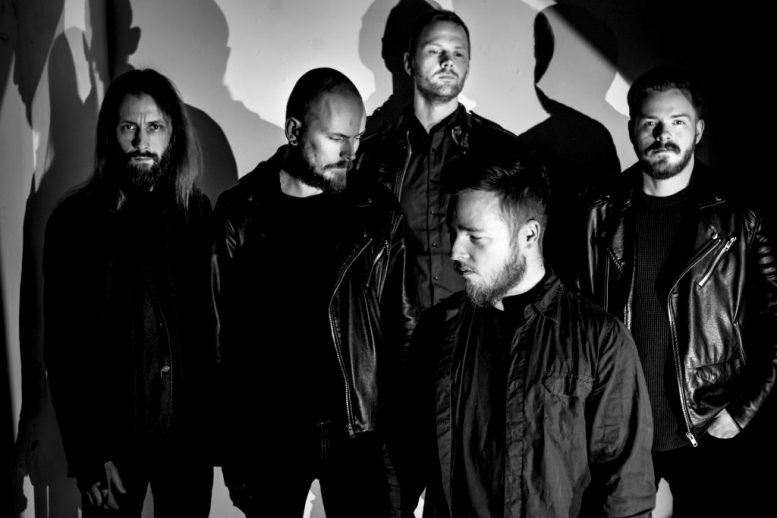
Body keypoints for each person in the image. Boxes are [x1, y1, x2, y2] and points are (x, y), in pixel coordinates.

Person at [400, 153, 655, 517]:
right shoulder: (437, 328)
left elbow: (625, 491)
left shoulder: (600, 339)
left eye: (475, 237)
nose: (455, 251)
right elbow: (402, 456)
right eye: (453, 232)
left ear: (529, 235)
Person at [576, 65, 777, 517]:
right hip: (620, 429)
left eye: (677, 122)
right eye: (651, 123)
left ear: (698, 130)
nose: (663, 135)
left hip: (709, 427)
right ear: (632, 129)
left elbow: (776, 321)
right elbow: (574, 320)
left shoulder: (740, 214)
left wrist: (743, 411)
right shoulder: (596, 213)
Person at [213, 67, 412, 517]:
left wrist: (400, 442)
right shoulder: (240, 212)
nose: (351, 153)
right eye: (337, 138)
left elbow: (403, 330)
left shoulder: (377, 211)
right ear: (294, 131)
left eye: (356, 138)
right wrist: (235, 453)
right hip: (271, 434)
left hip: (358, 431)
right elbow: (219, 340)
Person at [43, 68, 216, 517]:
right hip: (113, 445)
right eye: (128, 127)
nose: (141, 141)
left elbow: (210, 332)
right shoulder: (75, 221)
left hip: (186, 441)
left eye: (154, 126)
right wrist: (88, 453)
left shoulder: (196, 214)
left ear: (173, 134)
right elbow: (63, 348)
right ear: (111, 134)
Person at [357, 9, 521, 319]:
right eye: (435, 51)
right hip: (394, 337)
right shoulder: (371, 154)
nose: (448, 61)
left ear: (468, 65)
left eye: (458, 53)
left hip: (479, 333)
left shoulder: (500, 149)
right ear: (409, 62)